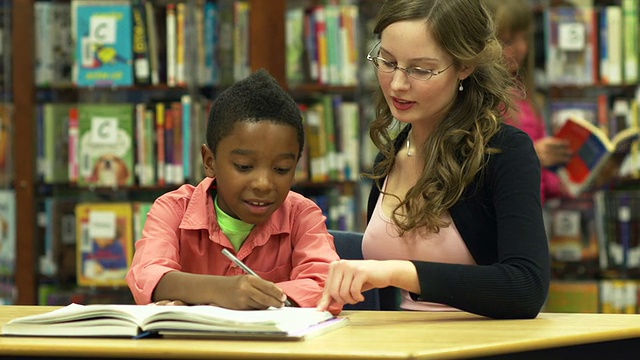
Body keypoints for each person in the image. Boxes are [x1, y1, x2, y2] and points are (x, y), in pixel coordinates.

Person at [317, 0, 550, 319]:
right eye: (387, 62)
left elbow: (526, 287)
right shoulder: (392, 154)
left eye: (420, 70)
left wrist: (400, 273)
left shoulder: (505, 151)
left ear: (464, 65)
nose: (398, 84)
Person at [127, 69, 342, 315]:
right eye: (244, 167)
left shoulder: (301, 215)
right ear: (209, 161)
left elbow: (326, 285)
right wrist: (223, 291)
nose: (263, 183)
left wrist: (225, 299)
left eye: (281, 169)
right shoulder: (173, 209)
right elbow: (146, 275)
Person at [482, 0, 571, 204]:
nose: (522, 48)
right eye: (508, 41)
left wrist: (579, 182)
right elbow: (476, 170)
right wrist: (529, 156)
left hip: (529, 215)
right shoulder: (477, 101)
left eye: (525, 37)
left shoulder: (525, 95)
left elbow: (544, 183)